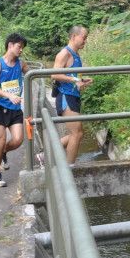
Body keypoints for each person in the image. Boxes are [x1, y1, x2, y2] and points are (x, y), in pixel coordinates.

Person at [0, 33, 29, 187]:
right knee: (1, 140)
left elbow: (32, 76)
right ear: (10, 45)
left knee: (18, 140)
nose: (21, 50)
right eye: (19, 47)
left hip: (15, 108)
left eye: (22, 48)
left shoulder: (21, 64)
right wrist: (8, 95)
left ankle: (3, 152)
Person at [51, 26, 92, 165]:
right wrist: (74, 80)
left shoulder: (76, 54)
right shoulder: (64, 53)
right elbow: (54, 74)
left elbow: (73, 76)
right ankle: (69, 169)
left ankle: (46, 154)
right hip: (65, 97)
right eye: (84, 37)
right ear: (74, 36)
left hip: (73, 96)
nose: (85, 41)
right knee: (77, 133)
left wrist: (81, 81)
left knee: (78, 133)